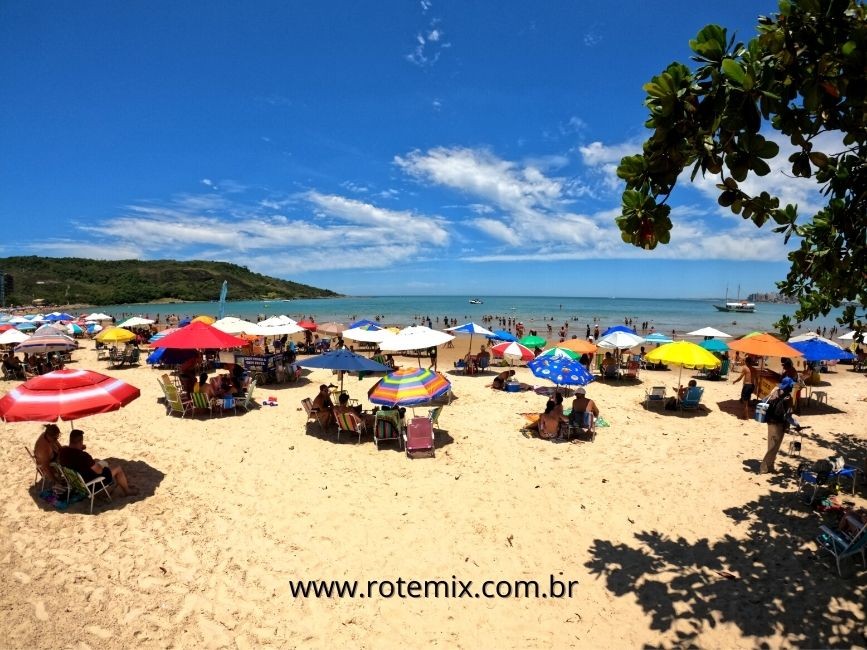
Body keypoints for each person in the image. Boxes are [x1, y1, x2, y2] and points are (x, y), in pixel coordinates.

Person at [57, 429, 137, 496]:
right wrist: (101, 466)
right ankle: (127, 491)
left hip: (77, 483)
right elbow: (99, 471)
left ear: (70, 440)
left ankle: (122, 484)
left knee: (100, 463)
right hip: (91, 484)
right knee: (117, 468)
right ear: (81, 441)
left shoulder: (63, 451)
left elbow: (74, 458)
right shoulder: (84, 456)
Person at [759, 377, 801, 474]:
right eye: (791, 386)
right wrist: (797, 424)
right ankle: (764, 468)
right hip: (778, 425)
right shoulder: (787, 398)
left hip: (770, 422)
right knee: (773, 447)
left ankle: (770, 467)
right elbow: (788, 417)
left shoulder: (775, 392)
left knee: (772, 446)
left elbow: (764, 400)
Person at [732, 355, 757, 419]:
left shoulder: (745, 368)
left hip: (747, 385)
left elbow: (740, 378)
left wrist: (735, 381)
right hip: (752, 386)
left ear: (746, 362)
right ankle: (745, 414)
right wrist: (755, 388)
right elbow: (756, 379)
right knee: (748, 399)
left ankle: (746, 416)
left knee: (744, 401)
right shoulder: (754, 369)